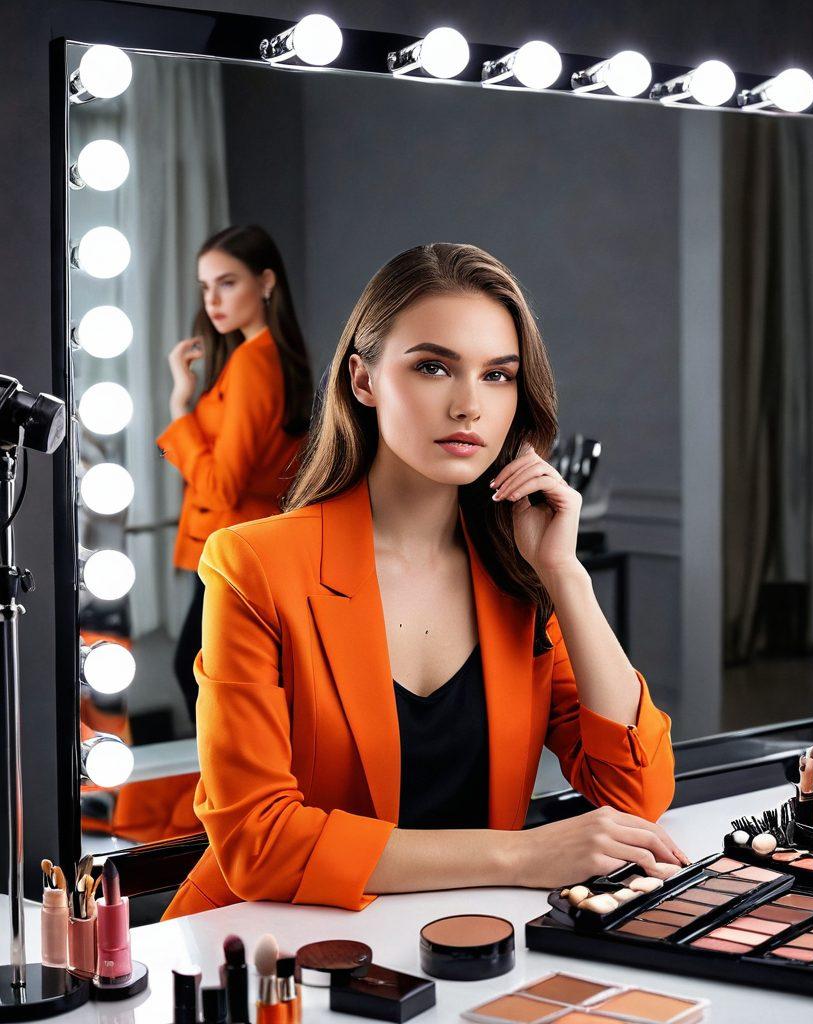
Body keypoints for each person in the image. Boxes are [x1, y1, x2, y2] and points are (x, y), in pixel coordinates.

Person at [161, 242, 682, 920]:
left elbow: (635, 791)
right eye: (434, 367)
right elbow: (259, 843)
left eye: (498, 376)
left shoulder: (517, 575)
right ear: (364, 380)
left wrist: (564, 575)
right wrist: (521, 856)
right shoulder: (254, 565)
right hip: (262, 951)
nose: (470, 405)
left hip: (450, 945)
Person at [156, 225, 313, 723]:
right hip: (251, 544)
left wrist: (181, 407)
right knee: (239, 678)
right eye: (205, 287)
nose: (212, 301)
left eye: (227, 283)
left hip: (236, 545)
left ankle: (232, 783)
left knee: (199, 671)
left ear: (266, 282)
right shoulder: (264, 358)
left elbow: (224, 485)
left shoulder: (252, 364)